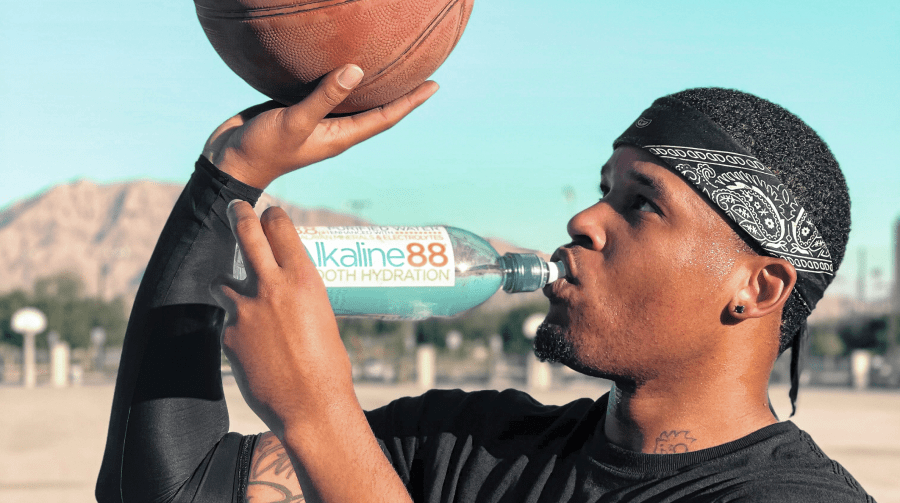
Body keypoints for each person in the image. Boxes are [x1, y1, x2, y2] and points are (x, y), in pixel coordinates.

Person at [96, 64, 874, 503]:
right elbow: (165, 491)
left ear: (759, 288)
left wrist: (318, 414)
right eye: (603, 188)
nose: (584, 219)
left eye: (641, 204)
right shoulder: (470, 445)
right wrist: (227, 179)